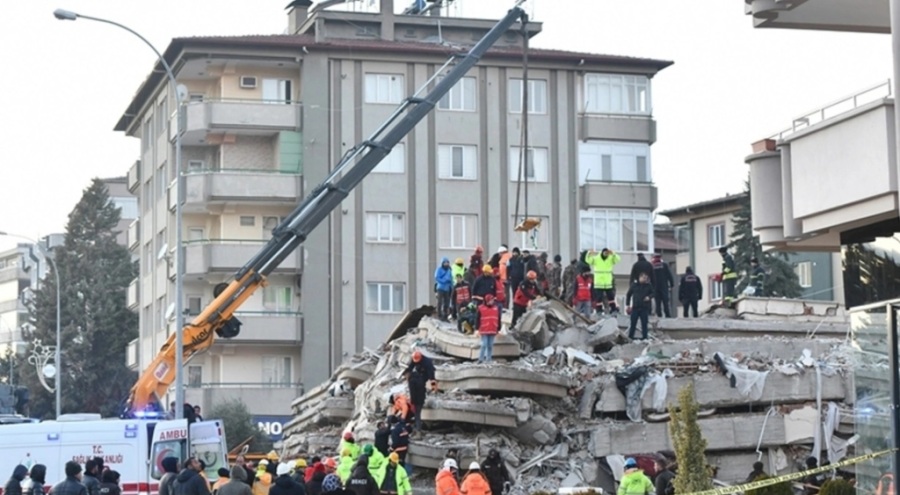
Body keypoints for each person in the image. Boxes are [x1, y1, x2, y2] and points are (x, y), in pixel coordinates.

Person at [403, 350, 436, 431]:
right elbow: (410, 367)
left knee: (417, 414)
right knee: (418, 414)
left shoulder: (427, 363)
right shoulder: (414, 359)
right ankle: (417, 428)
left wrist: (433, 387)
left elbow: (432, 376)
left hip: (424, 376)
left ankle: (418, 430)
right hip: (421, 395)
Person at [586, 248, 621, 316]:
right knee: (599, 298)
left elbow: (618, 259)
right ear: (602, 252)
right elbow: (588, 260)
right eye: (605, 253)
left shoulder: (610, 259)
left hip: (607, 282)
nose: (606, 254)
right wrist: (589, 254)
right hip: (599, 282)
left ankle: (613, 309)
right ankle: (599, 310)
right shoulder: (596, 259)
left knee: (611, 297)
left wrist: (613, 253)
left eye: (607, 253)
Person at [626, 272, 653, 340]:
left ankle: (645, 337)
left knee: (644, 324)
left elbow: (653, 293)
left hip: (644, 307)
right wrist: (628, 304)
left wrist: (649, 297)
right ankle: (630, 337)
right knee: (633, 323)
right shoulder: (634, 285)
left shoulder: (648, 286)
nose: (645, 279)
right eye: (643, 278)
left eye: (646, 278)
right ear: (640, 277)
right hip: (635, 307)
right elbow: (628, 294)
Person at [475, 294, 502, 364]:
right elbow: (477, 319)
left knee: (490, 345)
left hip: (492, 329)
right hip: (484, 329)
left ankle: (488, 359)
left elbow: (498, 319)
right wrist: (477, 329)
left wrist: (498, 329)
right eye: (491, 300)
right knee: (484, 344)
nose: (492, 302)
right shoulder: (481, 308)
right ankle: (480, 359)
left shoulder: (496, 308)